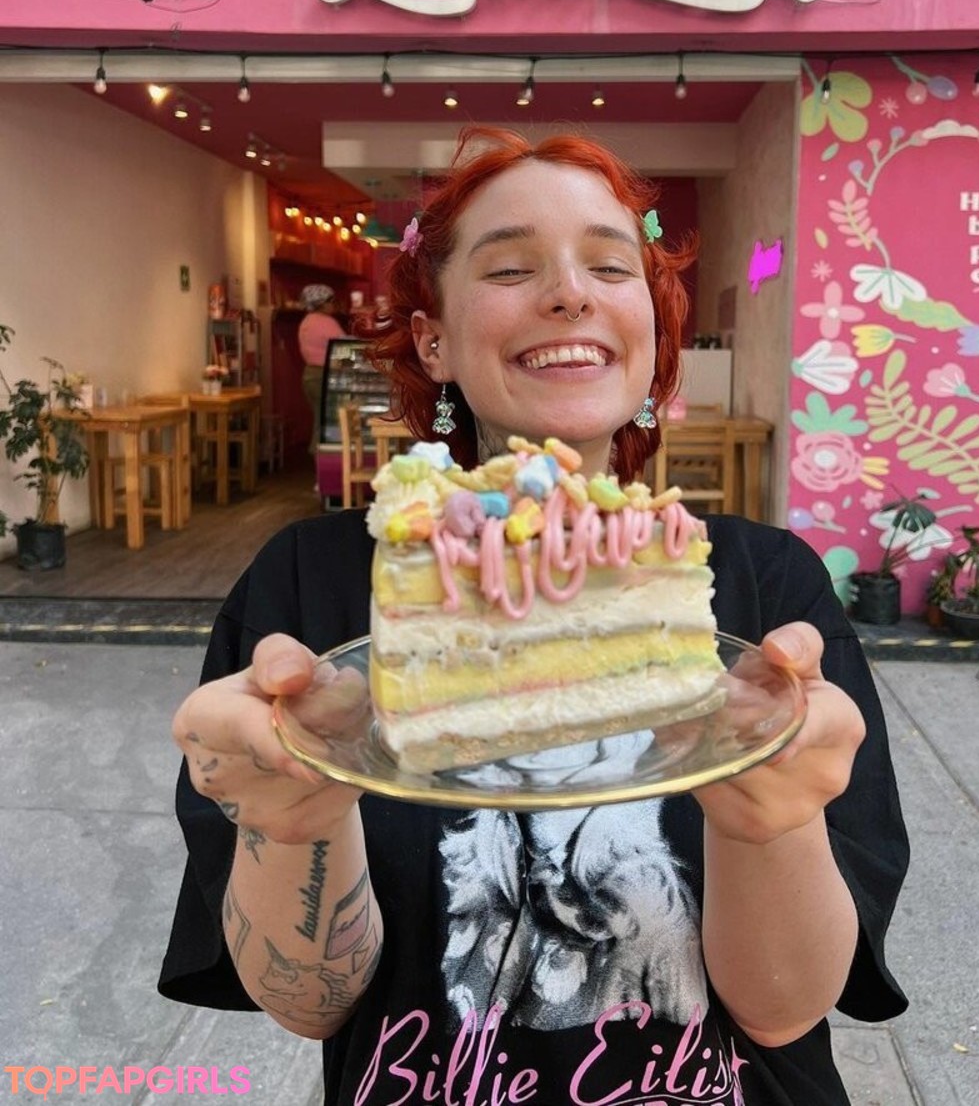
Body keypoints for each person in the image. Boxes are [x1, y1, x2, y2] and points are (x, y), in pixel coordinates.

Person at [159, 127, 909, 1106]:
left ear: (652, 329)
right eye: (511, 266)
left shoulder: (763, 598)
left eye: (612, 266)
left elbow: (781, 1013)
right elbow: (310, 1002)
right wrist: (293, 825)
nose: (569, 293)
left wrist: (774, 825)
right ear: (433, 337)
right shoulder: (313, 594)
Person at [297, 283, 342, 462]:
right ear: (322, 303)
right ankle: (323, 462)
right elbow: (343, 346)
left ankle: (321, 463)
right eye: (331, 301)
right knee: (327, 419)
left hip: (309, 375)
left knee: (320, 417)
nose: (334, 305)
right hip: (324, 375)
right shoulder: (326, 322)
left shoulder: (306, 322)